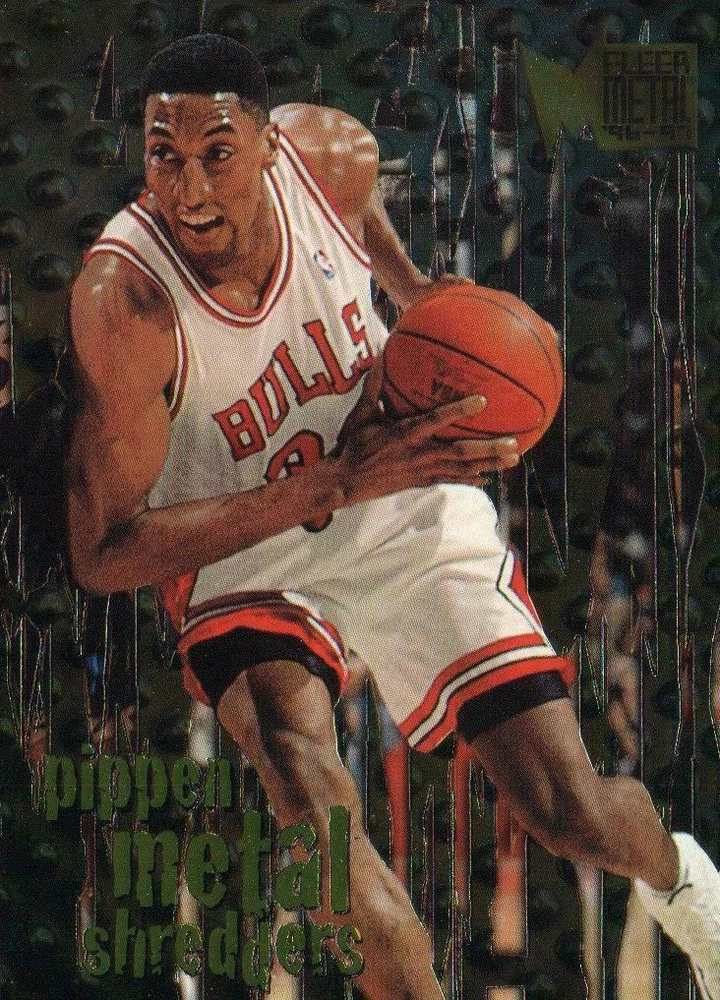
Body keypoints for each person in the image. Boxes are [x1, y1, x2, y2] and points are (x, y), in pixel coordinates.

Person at [66, 34, 719, 1000]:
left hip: (402, 504)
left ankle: (690, 887)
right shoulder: (124, 302)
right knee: (303, 780)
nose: (190, 189)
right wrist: (328, 484)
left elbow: (358, 207)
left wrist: (411, 289)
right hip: (243, 539)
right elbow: (103, 553)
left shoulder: (328, 156)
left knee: (568, 810)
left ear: (270, 146)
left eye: (218, 153)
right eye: (164, 155)